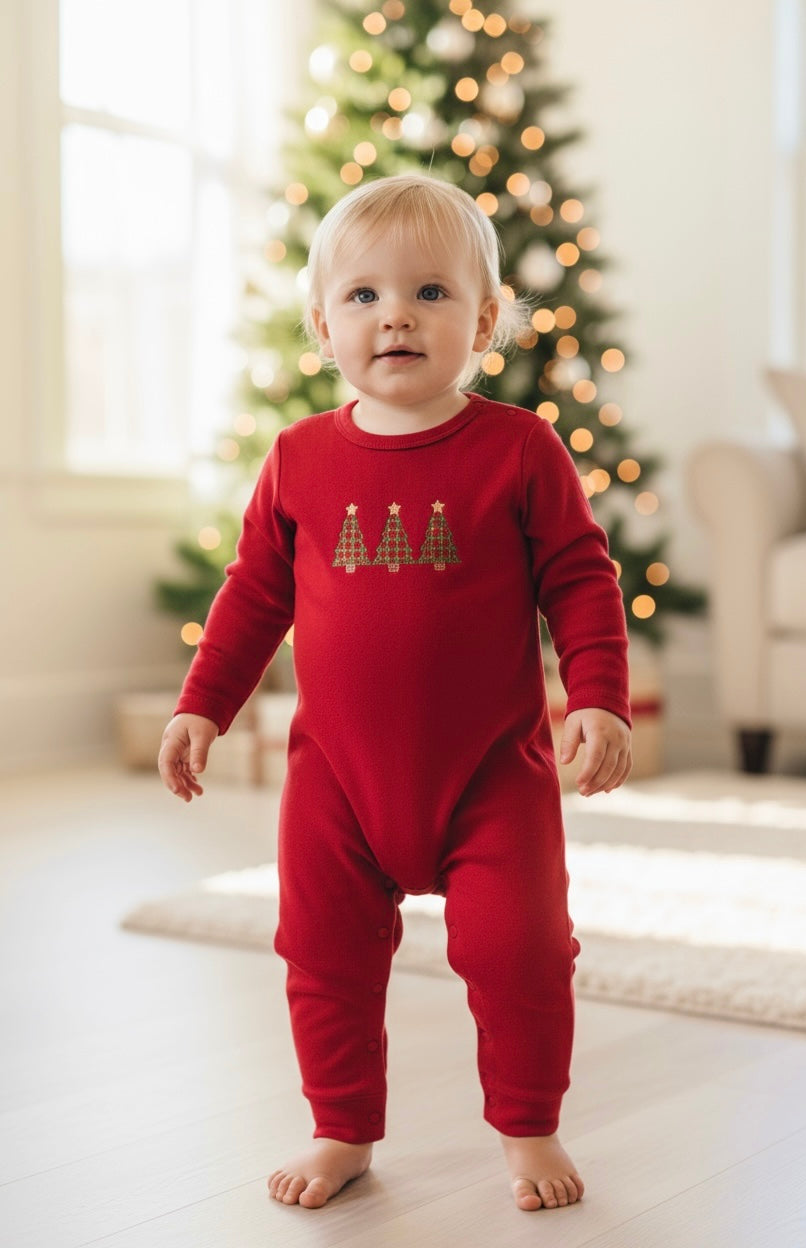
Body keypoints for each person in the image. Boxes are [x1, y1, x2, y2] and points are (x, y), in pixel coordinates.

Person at [158, 172, 632, 1214]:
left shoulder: (519, 450)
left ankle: (527, 1125)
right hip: (335, 781)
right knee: (320, 954)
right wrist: (203, 704)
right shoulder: (298, 460)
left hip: (490, 779)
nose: (397, 315)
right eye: (364, 297)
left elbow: (580, 578)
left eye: (430, 292)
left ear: (486, 317)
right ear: (323, 325)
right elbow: (250, 598)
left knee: (520, 950)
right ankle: (341, 1126)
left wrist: (597, 693)